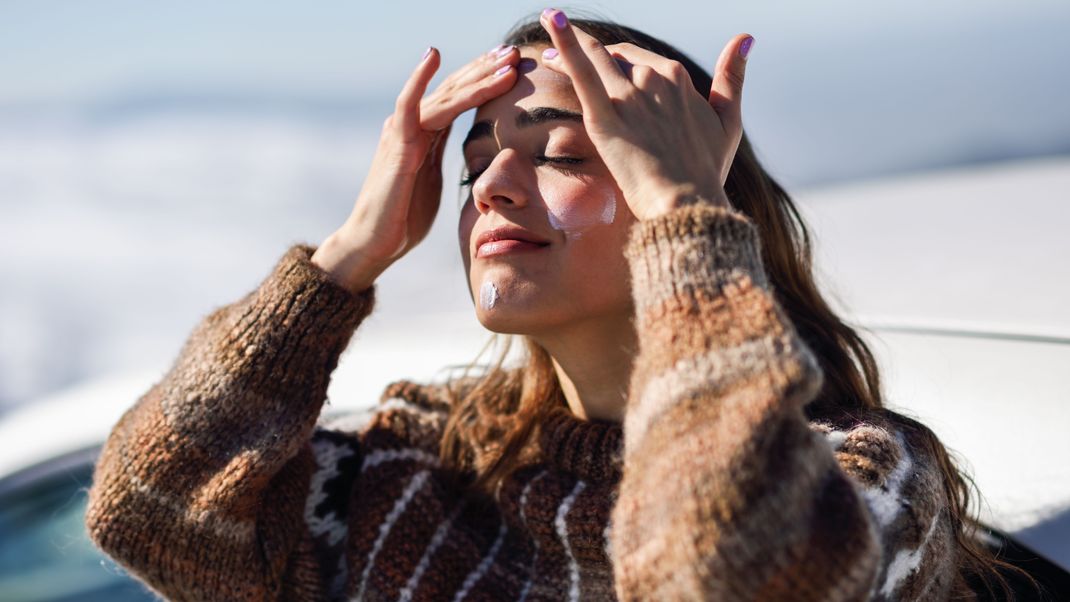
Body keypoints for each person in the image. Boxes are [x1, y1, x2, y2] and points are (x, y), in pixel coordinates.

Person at [85, 9, 1016, 601]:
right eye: (472, 161)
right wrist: (345, 257)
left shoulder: (862, 482)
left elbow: (722, 572)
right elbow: (146, 510)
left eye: (564, 153)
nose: (492, 185)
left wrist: (684, 218)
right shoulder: (419, 465)